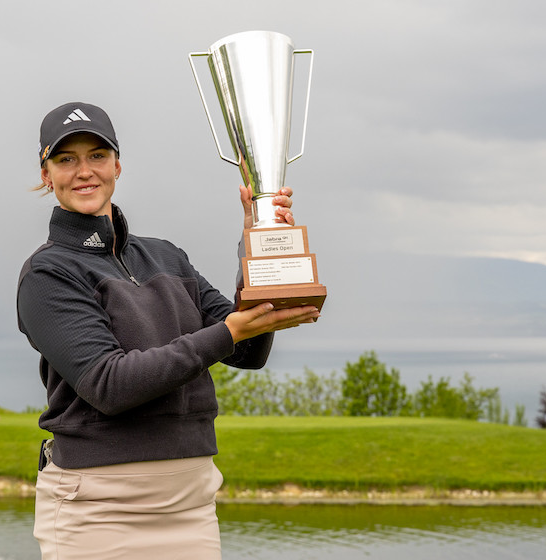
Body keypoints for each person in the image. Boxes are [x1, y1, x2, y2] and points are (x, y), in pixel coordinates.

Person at [17, 102, 320, 560]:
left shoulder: (166, 256)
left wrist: (255, 241)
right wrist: (230, 333)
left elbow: (248, 350)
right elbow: (110, 384)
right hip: (99, 511)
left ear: (117, 164)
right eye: (66, 159)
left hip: (191, 503)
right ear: (46, 174)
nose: (84, 171)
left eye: (97, 155)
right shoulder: (48, 274)